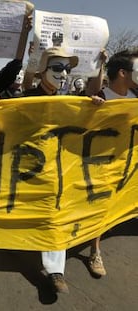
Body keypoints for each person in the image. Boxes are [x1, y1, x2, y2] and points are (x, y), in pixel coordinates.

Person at [22, 47, 79, 294]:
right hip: (25, 168)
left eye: (67, 69)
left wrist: (95, 104)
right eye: (57, 68)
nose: (63, 74)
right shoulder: (27, 97)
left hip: (56, 170)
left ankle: (55, 271)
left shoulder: (70, 101)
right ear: (43, 71)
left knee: (54, 213)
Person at [88, 48, 138, 277]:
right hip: (100, 164)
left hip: (127, 164)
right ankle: (94, 250)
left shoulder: (135, 99)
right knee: (100, 204)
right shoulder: (101, 97)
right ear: (122, 73)